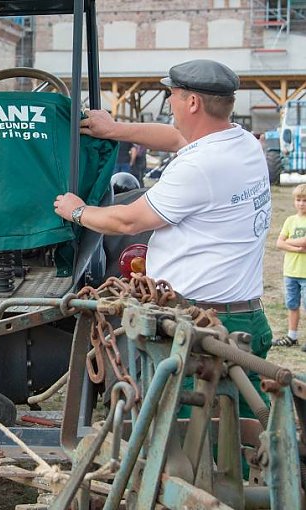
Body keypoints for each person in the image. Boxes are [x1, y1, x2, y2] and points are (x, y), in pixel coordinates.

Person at [53, 59, 272, 419]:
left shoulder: (199, 167)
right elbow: (176, 138)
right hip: (243, 319)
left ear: (192, 103)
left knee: (195, 446)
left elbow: (128, 220)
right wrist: (113, 129)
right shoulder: (242, 142)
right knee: (235, 443)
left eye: (172, 95)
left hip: (203, 331)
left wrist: (77, 211)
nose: (169, 102)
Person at [272, 184, 306, 348]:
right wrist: (297, 248)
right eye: (299, 200)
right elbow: (279, 243)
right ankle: (292, 336)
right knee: (292, 305)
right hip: (291, 271)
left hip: (305, 273)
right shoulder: (290, 220)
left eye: (305, 201)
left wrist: (288, 242)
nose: (301, 204)